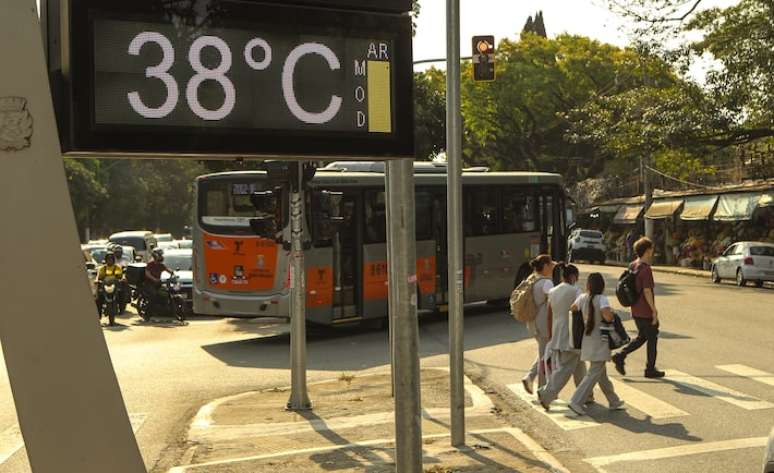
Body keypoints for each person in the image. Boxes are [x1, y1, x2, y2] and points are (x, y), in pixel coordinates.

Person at [567, 273, 625, 416]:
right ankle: (576, 401)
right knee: (594, 373)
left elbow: (573, 308)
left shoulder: (582, 298)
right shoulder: (602, 299)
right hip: (600, 341)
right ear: (602, 285)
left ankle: (614, 401)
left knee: (601, 373)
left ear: (588, 285)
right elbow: (607, 316)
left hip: (587, 339)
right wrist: (611, 313)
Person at [537, 263, 589, 410]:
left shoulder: (553, 291)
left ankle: (587, 394)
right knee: (566, 368)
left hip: (557, 332)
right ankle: (546, 394)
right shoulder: (576, 291)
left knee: (578, 364)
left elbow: (549, 315)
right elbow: (583, 311)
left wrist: (550, 335)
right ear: (573, 277)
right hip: (572, 334)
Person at [612, 237, 665, 378]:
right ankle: (650, 368)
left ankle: (621, 355)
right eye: (651, 249)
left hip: (635, 309)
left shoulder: (633, 265)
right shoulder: (646, 269)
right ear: (647, 251)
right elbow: (647, 291)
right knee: (651, 338)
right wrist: (654, 310)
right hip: (645, 310)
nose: (653, 252)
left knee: (643, 337)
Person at [521, 254, 556, 394]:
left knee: (544, 352)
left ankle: (529, 377)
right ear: (546, 266)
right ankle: (542, 389)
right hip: (543, 322)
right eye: (551, 264)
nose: (553, 267)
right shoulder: (547, 283)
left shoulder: (533, 279)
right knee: (545, 356)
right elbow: (554, 300)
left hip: (533, 321)